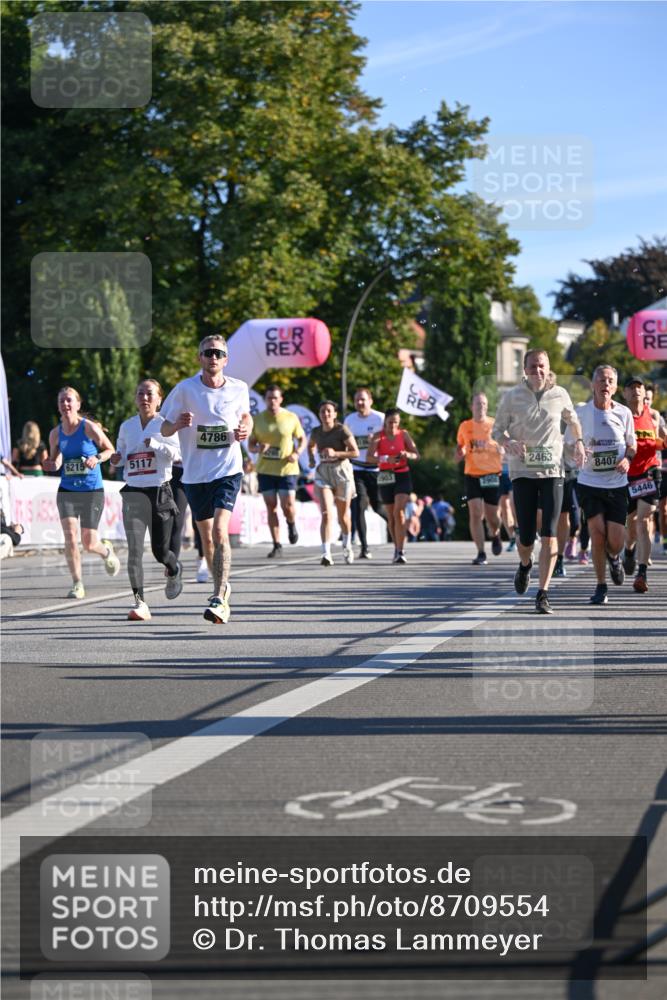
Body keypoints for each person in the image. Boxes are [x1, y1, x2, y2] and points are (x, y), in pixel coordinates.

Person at [160, 334, 252, 624]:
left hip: (227, 470)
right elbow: (162, 427)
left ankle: (219, 595)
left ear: (226, 359)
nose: (213, 357)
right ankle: (220, 588)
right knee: (207, 540)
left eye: (218, 353)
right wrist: (176, 425)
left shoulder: (239, 388)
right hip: (195, 474)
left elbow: (246, 416)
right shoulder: (185, 389)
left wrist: (246, 428)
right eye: (207, 353)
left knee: (220, 532)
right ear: (200, 358)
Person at [492, 350, 585, 614]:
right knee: (526, 538)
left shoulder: (560, 394)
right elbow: (497, 430)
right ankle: (524, 565)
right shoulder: (511, 397)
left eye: (542, 366)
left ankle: (543, 593)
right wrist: (507, 441)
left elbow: (573, 421)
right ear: (525, 369)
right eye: (533, 367)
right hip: (522, 472)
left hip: (554, 471)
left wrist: (578, 441)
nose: (538, 371)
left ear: (548, 367)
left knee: (550, 534)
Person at [110, 379, 183, 621]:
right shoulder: (127, 426)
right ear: (135, 398)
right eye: (140, 393)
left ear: (159, 399)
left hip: (160, 491)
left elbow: (178, 455)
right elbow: (120, 456)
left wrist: (158, 445)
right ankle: (140, 602)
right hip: (133, 492)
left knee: (160, 551)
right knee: (134, 551)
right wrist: (115, 459)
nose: (144, 398)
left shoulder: (166, 425)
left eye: (149, 393)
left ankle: (173, 568)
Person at [42, 386, 120, 598]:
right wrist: (51, 464)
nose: (66, 404)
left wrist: (97, 458)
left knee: (89, 543)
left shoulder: (89, 428)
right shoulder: (55, 433)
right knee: (70, 537)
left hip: (91, 491)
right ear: (58, 407)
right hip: (67, 490)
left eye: (69, 400)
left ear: (77, 404)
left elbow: (110, 450)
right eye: (62, 401)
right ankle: (77, 583)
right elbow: (57, 459)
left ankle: (106, 551)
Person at [574, 366, 636, 605]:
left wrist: (627, 459)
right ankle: (601, 586)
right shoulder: (581, 413)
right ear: (593, 384)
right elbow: (570, 445)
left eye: (610, 381)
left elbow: (632, 445)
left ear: (615, 387)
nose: (606, 384)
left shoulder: (624, 414)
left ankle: (615, 557)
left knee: (616, 541)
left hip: (617, 484)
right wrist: (577, 451)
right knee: (597, 535)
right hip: (589, 482)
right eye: (601, 380)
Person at [248, 384, 305, 557]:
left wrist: (297, 453)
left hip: (287, 468)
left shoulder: (290, 417)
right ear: (265, 400)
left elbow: (302, 438)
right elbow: (250, 445)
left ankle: (291, 522)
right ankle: (277, 544)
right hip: (266, 469)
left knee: (287, 505)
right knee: (271, 506)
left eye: (275, 398)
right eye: (269, 398)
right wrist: (258, 448)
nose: (272, 401)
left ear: (281, 399)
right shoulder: (257, 419)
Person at [622, 376, 663, 593]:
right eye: (632, 387)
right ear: (625, 393)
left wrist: (661, 439)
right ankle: (628, 551)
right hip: (627, 474)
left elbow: (663, 438)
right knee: (630, 524)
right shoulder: (620, 414)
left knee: (644, 520)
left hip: (650, 471)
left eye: (639, 387)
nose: (636, 390)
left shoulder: (654, 415)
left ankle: (642, 573)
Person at [308, 400, 359, 565]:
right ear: (319, 414)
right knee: (326, 514)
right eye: (323, 411)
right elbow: (311, 446)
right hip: (323, 472)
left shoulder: (341, 430)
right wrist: (310, 459)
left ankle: (347, 545)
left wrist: (335, 453)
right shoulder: (316, 431)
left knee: (343, 516)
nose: (326, 414)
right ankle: (326, 553)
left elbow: (355, 452)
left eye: (329, 411)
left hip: (342, 472)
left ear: (335, 414)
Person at [367, 408, 419, 564]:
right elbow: (369, 458)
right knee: (391, 516)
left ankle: (401, 550)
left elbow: (417, 454)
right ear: (385, 422)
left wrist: (407, 454)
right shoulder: (378, 437)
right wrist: (384, 459)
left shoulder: (404, 435)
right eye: (390, 422)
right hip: (385, 475)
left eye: (395, 422)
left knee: (399, 511)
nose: (392, 425)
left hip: (402, 474)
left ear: (399, 422)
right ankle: (397, 548)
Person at [456, 392, 503, 565]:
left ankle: (496, 533)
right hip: (472, 474)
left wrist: (503, 450)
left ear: (487, 406)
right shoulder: (464, 426)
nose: (481, 407)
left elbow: (506, 443)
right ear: (472, 407)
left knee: (493, 517)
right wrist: (459, 453)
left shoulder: (495, 424)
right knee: (475, 513)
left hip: (492, 475)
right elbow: (459, 447)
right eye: (477, 404)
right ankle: (481, 552)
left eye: (483, 404)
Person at [344, 387, 385, 558]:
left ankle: (399, 532)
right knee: (358, 507)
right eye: (357, 400)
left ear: (371, 401)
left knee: (378, 507)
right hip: (356, 468)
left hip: (375, 469)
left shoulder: (380, 418)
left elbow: (393, 440)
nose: (360, 403)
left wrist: (377, 441)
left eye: (363, 399)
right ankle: (364, 547)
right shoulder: (350, 420)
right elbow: (344, 443)